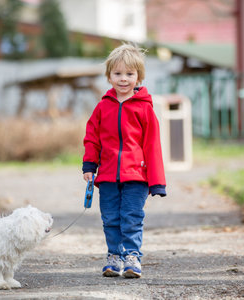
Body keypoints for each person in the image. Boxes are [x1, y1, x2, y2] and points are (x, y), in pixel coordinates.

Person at [82, 44, 166, 279]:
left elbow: (152, 146)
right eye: (117, 74)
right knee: (110, 219)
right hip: (108, 176)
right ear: (109, 76)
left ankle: (132, 257)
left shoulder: (144, 109)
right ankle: (114, 256)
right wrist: (89, 165)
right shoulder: (102, 107)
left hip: (137, 177)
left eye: (129, 74)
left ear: (138, 76)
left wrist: (157, 182)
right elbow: (92, 138)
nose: (123, 79)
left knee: (131, 218)